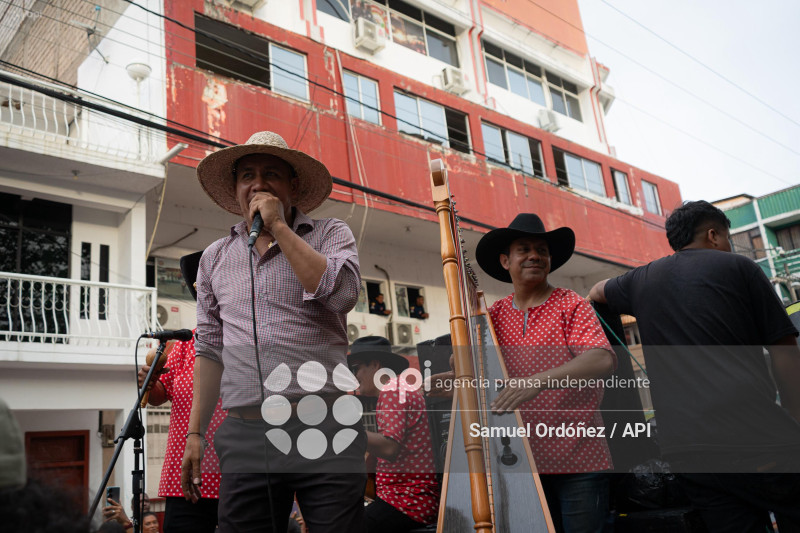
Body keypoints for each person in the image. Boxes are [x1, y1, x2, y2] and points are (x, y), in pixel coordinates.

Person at [183, 131, 365, 533]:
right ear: (235, 189)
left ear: (293, 187)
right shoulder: (214, 257)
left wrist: (280, 226)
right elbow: (210, 349)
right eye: (247, 174)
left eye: (271, 174)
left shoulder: (331, 234)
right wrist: (194, 432)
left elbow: (343, 296)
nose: (259, 183)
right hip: (248, 431)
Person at [589, 200, 800, 532]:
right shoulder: (739, 268)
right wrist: (794, 418)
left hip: (689, 454)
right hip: (757, 438)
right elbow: (784, 351)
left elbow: (596, 292)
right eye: (728, 238)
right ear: (714, 235)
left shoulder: (641, 279)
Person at [474, 213, 616, 533]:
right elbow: (482, 374)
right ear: (505, 261)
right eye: (524, 249)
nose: (535, 255)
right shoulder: (493, 315)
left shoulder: (571, 304)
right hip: (520, 464)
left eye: (542, 250)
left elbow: (601, 359)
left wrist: (535, 383)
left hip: (581, 460)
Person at [137, 252, 223, 533]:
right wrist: (150, 382)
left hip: (240, 476)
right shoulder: (184, 343)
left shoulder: (250, 337)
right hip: (186, 475)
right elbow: (163, 393)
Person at [348, 336, 440, 532]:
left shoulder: (391, 389)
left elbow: (389, 448)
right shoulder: (399, 388)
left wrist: (346, 432)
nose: (354, 376)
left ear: (374, 364)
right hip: (412, 500)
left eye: (355, 368)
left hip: (406, 502)